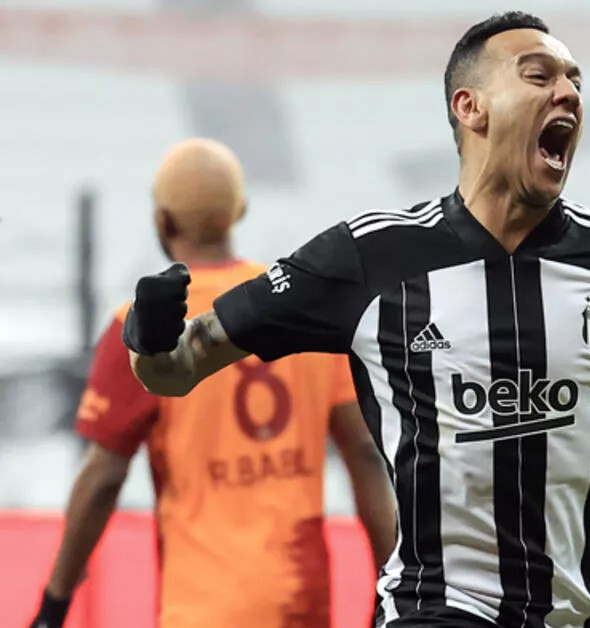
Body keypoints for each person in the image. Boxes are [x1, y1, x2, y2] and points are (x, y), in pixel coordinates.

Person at [118, 13, 590, 628]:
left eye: (577, 81)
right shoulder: (367, 257)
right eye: (540, 75)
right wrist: (149, 342)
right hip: (434, 610)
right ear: (472, 107)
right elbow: (179, 368)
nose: (569, 93)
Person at [28, 138, 397, 628]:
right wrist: (392, 590)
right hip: (299, 602)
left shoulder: (138, 331)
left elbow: (103, 479)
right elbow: (366, 455)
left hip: (201, 609)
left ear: (163, 221)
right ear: (239, 211)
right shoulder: (298, 305)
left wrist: (53, 606)